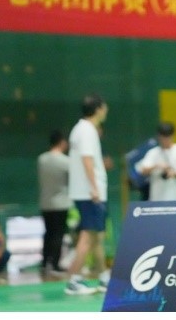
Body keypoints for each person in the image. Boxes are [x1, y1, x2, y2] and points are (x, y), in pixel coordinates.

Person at [65, 94, 109, 296]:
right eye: (104, 107)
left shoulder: (80, 129)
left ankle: (104, 277)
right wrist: (94, 188)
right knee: (87, 236)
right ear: (98, 109)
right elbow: (87, 160)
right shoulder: (87, 130)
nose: (106, 110)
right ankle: (74, 280)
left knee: (96, 236)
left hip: (86, 191)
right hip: (90, 192)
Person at [134, 122, 176, 203]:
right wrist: (157, 166)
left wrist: (175, 173)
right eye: (163, 137)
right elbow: (143, 170)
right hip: (156, 197)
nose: (165, 140)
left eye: (168, 137)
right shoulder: (153, 152)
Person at [38, 130, 71, 279]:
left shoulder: (41, 159)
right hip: (61, 203)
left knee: (48, 233)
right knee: (58, 234)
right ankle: (55, 264)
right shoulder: (65, 161)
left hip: (45, 202)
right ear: (62, 142)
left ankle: (45, 262)